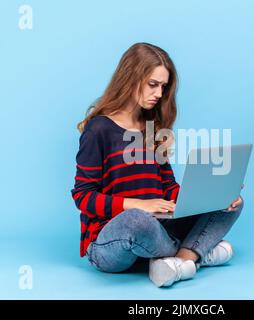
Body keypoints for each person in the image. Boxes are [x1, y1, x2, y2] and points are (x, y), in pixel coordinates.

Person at [71, 42, 244, 287]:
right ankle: (197, 252)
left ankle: (182, 261)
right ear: (130, 78)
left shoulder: (153, 128)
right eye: (153, 84)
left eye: (163, 86)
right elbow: (83, 197)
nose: (160, 94)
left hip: (159, 229)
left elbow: (167, 186)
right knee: (136, 219)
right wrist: (140, 206)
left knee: (231, 202)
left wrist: (207, 195)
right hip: (111, 242)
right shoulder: (98, 129)